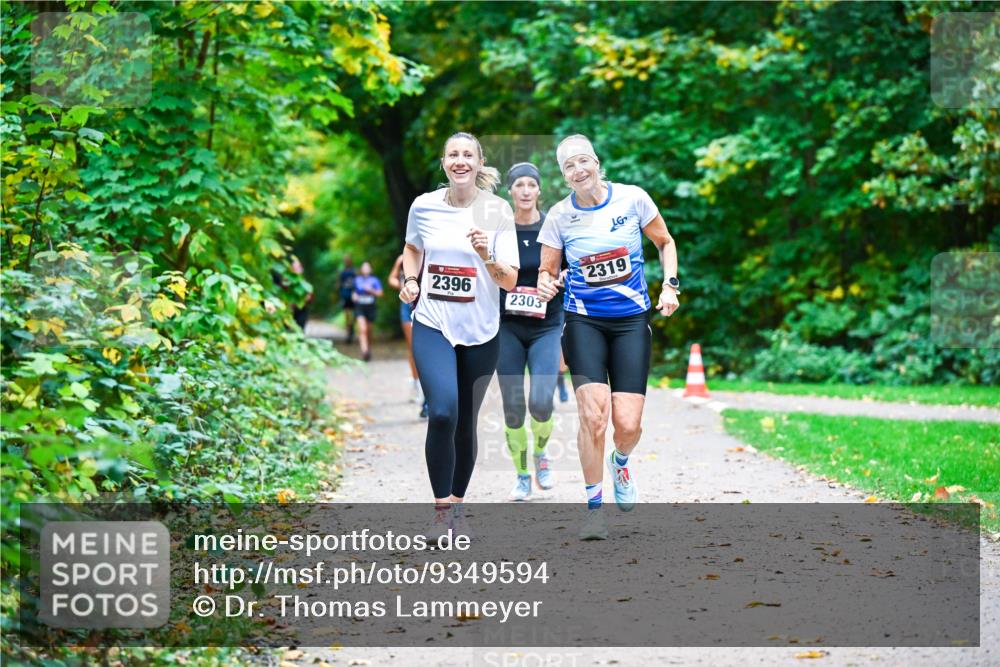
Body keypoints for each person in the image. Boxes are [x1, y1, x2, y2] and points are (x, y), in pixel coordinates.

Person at [536, 134, 680, 540]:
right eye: (569, 166)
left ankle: (621, 460)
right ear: (563, 175)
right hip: (583, 322)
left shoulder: (633, 199)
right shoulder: (560, 216)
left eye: (583, 161)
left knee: (627, 425)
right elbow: (547, 272)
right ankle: (594, 508)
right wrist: (547, 284)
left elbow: (665, 242)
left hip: (631, 321)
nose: (578, 170)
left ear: (596, 162)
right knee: (593, 417)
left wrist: (670, 285)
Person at [398, 131, 519, 537]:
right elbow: (412, 248)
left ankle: (457, 505)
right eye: (453, 154)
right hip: (433, 323)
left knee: (465, 421)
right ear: (444, 163)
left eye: (468, 154)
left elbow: (510, 281)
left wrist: (487, 254)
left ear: (478, 163)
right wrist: (411, 280)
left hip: (482, 331)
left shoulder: (498, 211)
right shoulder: (424, 206)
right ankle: (439, 513)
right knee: (443, 411)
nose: (460, 160)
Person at [496, 162, 565, 502]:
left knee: (540, 402)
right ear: (510, 191)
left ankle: (541, 453)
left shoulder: (553, 227)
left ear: (539, 190)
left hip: (546, 326)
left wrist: (562, 278)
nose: (525, 190)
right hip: (507, 326)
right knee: (512, 407)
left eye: (531, 185)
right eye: (519, 185)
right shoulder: (499, 229)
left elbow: (571, 267)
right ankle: (522, 474)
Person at [389, 253, 429, 418]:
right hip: (408, 304)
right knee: (414, 347)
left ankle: (427, 391)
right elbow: (391, 278)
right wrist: (401, 285)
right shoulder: (401, 258)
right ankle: (417, 384)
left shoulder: (433, 250)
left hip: (427, 302)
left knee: (428, 348)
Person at [353, 261, 382, 362]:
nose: (365, 269)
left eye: (367, 267)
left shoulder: (375, 280)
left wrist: (371, 290)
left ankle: (368, 348)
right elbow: (354, 292)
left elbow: (380, 293)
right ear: (361, 270)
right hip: (359, 306)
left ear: (370, 270)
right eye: (363, 267)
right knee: (362, 329)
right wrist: (354, 296)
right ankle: (364, 351)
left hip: (370, 307)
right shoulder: (357, 280)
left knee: (369, 331)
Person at [337, 256, 357, 343]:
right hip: (345, 295)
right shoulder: (342, 272)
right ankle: (349, 331)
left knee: (353, 314)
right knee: (347, 314)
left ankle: (351, 328)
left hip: (353, 295)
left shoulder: (354, 271)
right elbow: (339, 284)